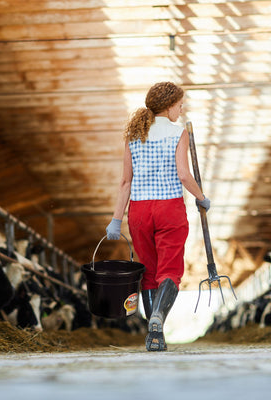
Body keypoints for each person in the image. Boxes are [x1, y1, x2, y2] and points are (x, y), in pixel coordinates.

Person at [105, 82, 210, 352]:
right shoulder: (178, 133)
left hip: (139, 211)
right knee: (170, 271)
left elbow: (125, 182)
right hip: (169, 208)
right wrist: (201, 197)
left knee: (149, 273)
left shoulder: (133, 135)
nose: (181, 109)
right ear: (169, 106)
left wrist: (117, 219)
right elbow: (184, 175)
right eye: (179, 104)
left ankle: (155, 335)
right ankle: (157, 319)